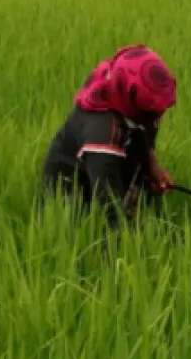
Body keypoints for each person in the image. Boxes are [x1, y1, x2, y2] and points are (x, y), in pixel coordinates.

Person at [42, 45, 178, 228]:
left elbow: (143, 136)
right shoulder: (101, 134)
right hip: (73, 186)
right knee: (94, 224)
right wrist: (129, 245)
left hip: (111, 159)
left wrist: (152, 169)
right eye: (154, 112)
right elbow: (109, 204)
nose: (160, 116)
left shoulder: (130, 98)